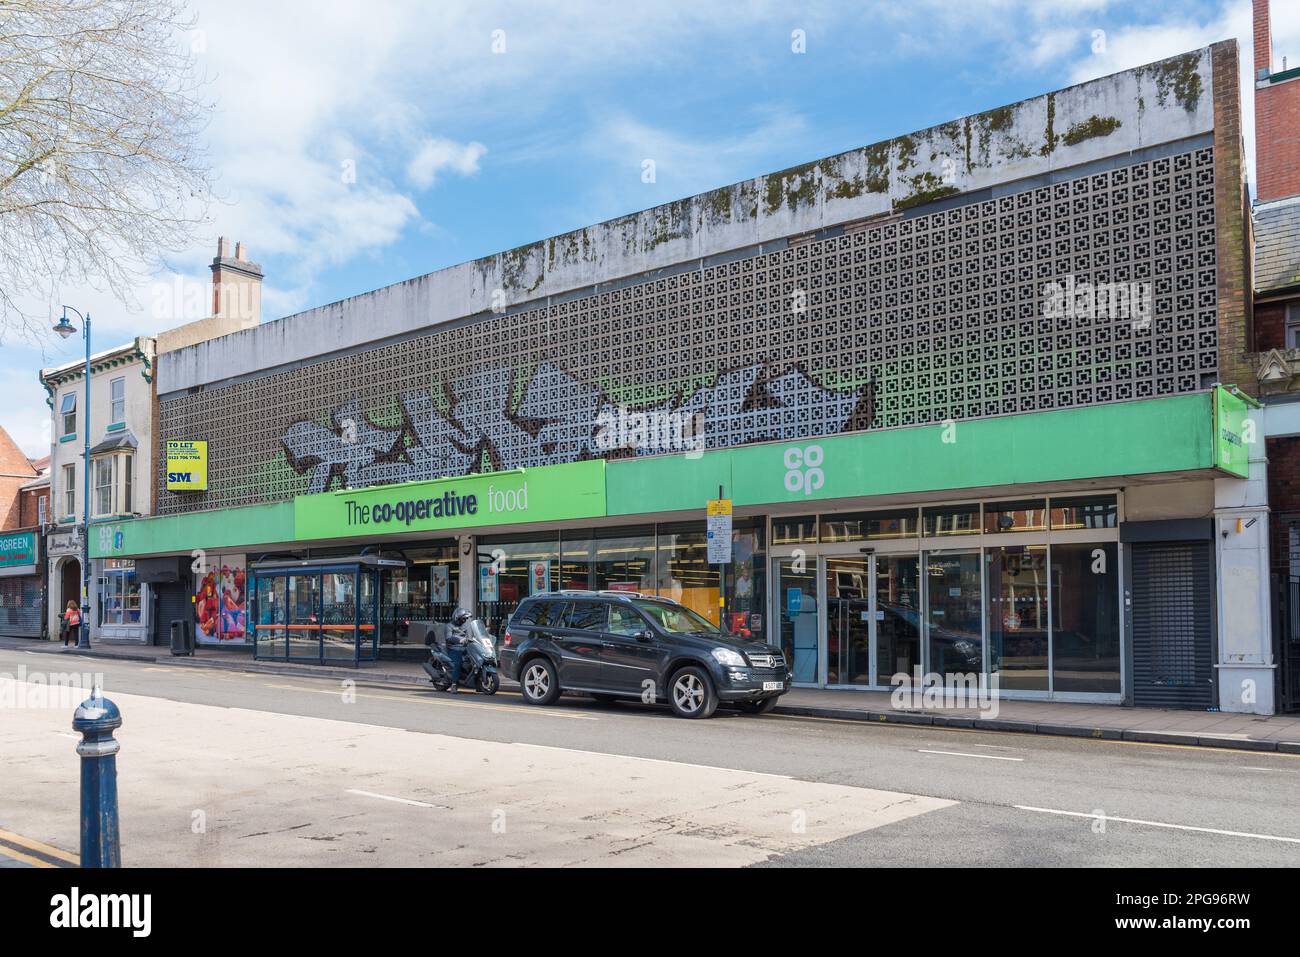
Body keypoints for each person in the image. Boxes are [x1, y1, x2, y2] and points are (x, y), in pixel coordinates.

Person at [444, 607, 471, 692]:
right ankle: (454, 684)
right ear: (457, 618)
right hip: (453, 649)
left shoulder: (464, 626)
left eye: (465, 619)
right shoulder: (449, 626)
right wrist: (459, 640)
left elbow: (467, 637)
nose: (464, 621)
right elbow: (448, 638)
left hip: (463, 648)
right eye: (462, 619)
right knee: (458, 663)